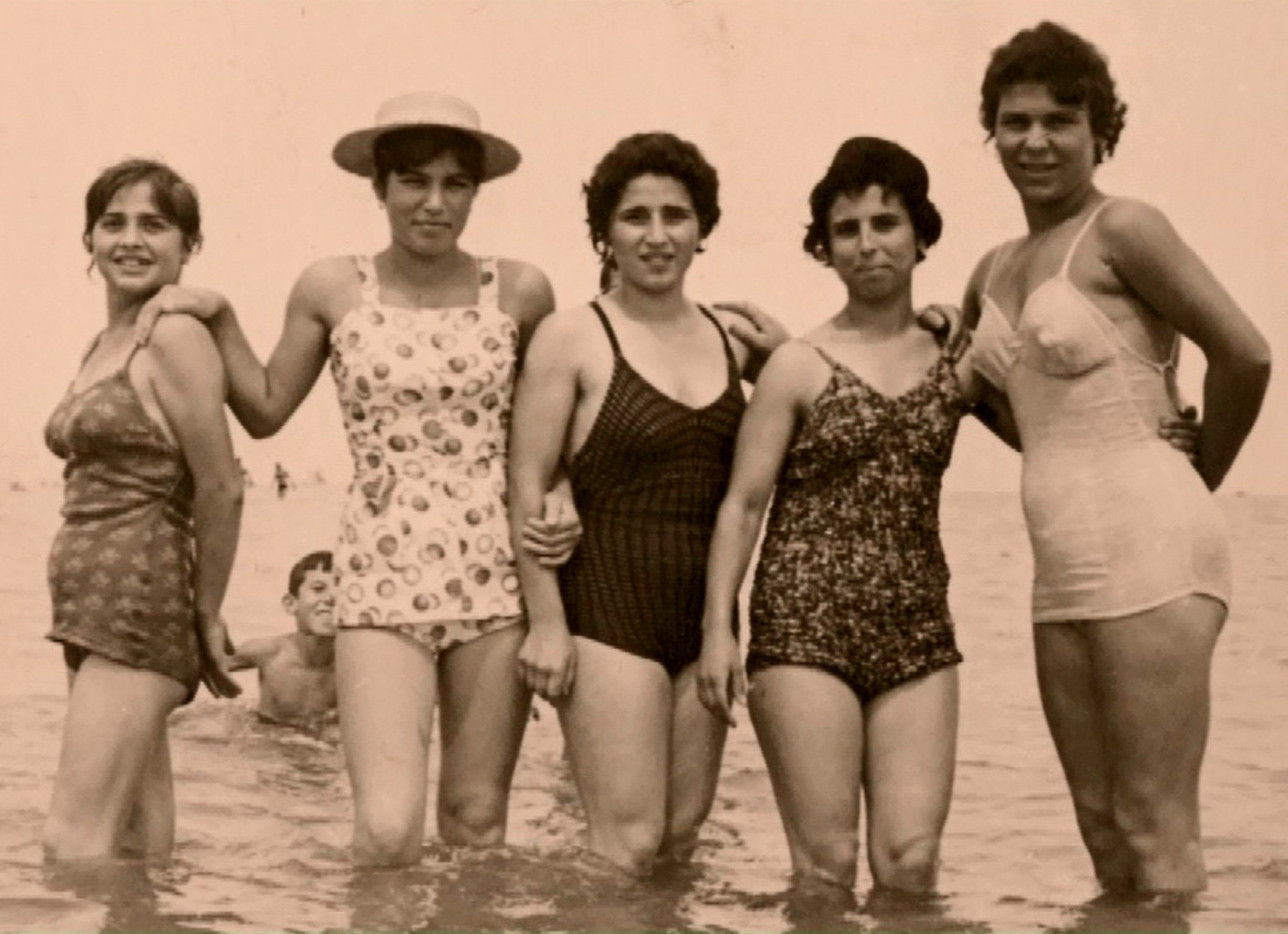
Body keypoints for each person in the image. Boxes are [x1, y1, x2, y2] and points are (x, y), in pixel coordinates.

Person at [137, 91, 580, 866]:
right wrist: (222, 317)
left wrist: (565, 490)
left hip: (499, 574)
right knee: (385, 829)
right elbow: (265, 408)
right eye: (413, 181)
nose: (434, 203)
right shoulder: (331, 286)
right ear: (379, 187)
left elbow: (554, 429)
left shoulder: (521, 290)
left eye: (455, 184)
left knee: (477, 822)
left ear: (476, 192)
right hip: (378, 570)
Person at [963, 22, 1271, 895]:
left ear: (1101, 132)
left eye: (1061, 120)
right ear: (992, 132)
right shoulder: (991, 269)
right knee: (1101, 830)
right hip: (1060, 565)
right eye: (1016, 121)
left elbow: (1246, 355)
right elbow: (1007, 410)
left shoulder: (1123, 228)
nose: (1036, 140)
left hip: (1153, 547)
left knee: (1153, 824)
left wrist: (1200, 469)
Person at [698, 138, 974, 896]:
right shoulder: (798, 364)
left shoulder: (959, 360)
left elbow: (1044, 427)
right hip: (803, 626)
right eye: (846, 230)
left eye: (886, 223)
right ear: (825, 248)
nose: (867, 244)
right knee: (826, 866)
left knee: (911, 863)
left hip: (917, 628)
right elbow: (742, 505)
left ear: (920, 234)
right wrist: (718, 630)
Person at [508, 132, 787, 875]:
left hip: (704, 621)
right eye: (635, 217)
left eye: (676, 215)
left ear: (703, 227)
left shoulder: (733, 341)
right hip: (607, 611)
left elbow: (809, 424)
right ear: (605, 230)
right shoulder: (572, 335)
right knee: (626, 842)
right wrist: (546, 624)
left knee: (680, 840)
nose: (657, 236)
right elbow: (527, 481)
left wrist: (788, 346)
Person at [42, 159, 243, 861]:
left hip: (135, 601)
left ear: (189, 246)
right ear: (89, 239)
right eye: (113, 223)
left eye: (154, 225)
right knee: (134, 838)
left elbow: (222, 485)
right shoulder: (106, 343)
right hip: (92, 605)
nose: (130, 239)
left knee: (71, 840)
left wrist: (206, 612)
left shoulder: (175, 336)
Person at [229, 550, 337, 729]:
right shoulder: (270, 653)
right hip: (265, 739)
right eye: (318, 589)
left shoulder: (354, 666)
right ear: (291, 604)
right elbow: (202, 666)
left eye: (341, 591)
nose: (331, 598)